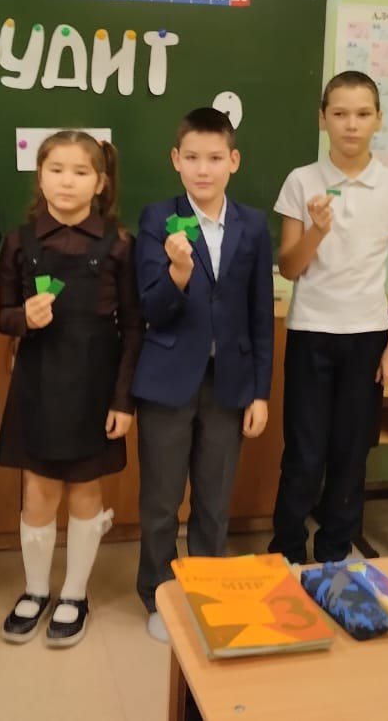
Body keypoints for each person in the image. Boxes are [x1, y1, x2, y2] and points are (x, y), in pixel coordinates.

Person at [131, 107, 274, 642]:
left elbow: (260, 314)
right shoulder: (157, 219)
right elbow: (151, 307)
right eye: (192, 157)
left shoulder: (252, 225)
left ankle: (208, 589)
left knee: (214, 499)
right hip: (167, 381)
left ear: (233, 161)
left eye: (215, 158)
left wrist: (260, 392)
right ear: (176, 160)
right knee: (161, 501)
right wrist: (178, 272)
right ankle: (158, 594)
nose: (203, 169)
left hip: (228, 384)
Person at [0, 131, 142, 648]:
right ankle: (35, 589)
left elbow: (134, 328)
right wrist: (23, 318)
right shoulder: (20, 241)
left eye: (80, 172)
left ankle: (75, 594)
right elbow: (0, 314)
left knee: (85, 489)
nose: (66, 181)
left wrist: (123, 400)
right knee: (38, 490)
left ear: (100, 183)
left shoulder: (119, 244)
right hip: (38, 381)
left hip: (95, 384)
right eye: (56, 169)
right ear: (39, 176)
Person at [268, 71, 388, 564]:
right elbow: (290, 267)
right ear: (322, 119)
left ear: (378, 120)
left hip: (368, 334)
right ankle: (288, 549)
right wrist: (317, 230)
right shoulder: (301, 180)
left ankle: (335, 551)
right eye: (339, 114)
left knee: (351, 452)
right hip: (311, 331)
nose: (351, 124)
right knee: (304, 452)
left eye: (362, 114)